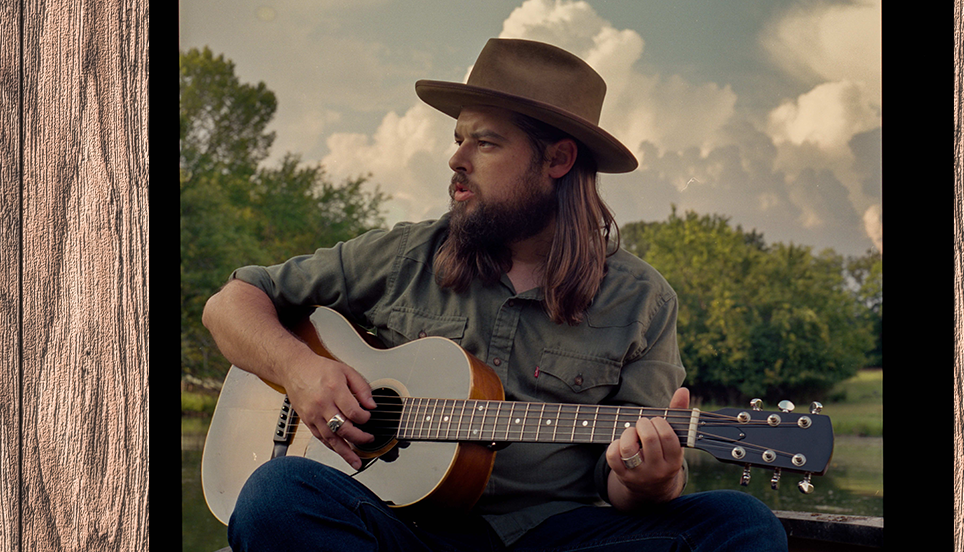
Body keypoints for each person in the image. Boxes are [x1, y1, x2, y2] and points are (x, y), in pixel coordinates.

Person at [202, 38, 787, 552]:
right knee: (276, 494)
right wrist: (301, 370)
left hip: (556, 538)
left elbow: (624, 491)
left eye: (485, 143)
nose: (456, 160)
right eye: (458, 139)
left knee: (742, 525)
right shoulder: (406, 255)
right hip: (401, 528)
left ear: (557, 159)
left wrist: (647, 480)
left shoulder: (642, 302)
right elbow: (231, 302)